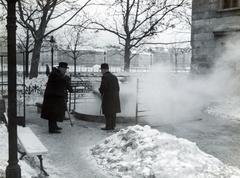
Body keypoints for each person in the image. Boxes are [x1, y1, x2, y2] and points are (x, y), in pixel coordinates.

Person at [41, 62, 73, 134]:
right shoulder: (55, 74)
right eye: (64, 69)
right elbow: (62, 81)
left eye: (66, 69)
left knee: (54, 113)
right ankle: (52, 129)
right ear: (60, 68)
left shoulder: (58, 74)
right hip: (52, 97)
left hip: (55, 96)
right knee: (52, 113)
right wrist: (67, 78)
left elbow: (63, 83)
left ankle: (54, 126)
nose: (65, 70)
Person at [99, 63, 121, 130]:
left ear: (104, 69)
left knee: (107, 112)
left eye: (101, 70)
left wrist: (100, 90)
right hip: (115, 97)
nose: (101, 71)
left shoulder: (105, 77)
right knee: (113, 112)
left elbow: (103, 87)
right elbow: (118, 88)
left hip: (108, 98)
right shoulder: (114, 76)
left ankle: (108, 126)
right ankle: (113, 126)